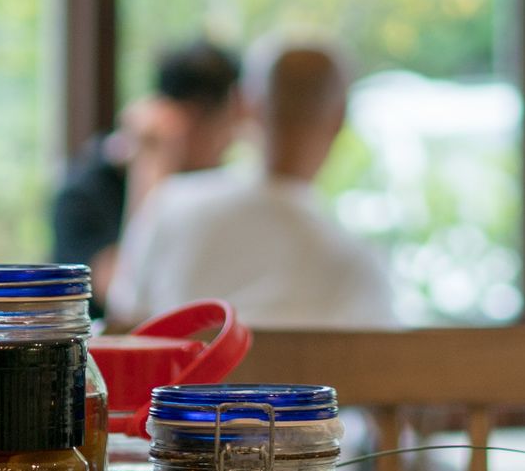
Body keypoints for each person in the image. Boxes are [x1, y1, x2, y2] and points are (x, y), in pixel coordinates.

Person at [110, 36, 395, 329]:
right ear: (340, 119)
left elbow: (124, 321)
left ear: (244, 106)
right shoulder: (357, 263)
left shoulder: (171, 204)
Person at [49, 39, 244, 303]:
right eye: (227, 126)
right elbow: (122, 293)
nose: (230, 142)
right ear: (191, 118)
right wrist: (151, 165)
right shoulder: (85, 193)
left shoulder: (210, 191)